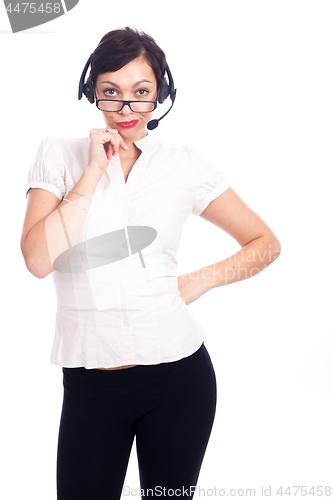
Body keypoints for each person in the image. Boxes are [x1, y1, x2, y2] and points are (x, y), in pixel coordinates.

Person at [20, 27, 281, 500]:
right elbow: (38, 260)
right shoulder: (61, 153)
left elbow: (264, 243)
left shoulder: (185, 164)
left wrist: (195, 282)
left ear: (160, 93)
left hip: (178, 376)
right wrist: (94, 170)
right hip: (90, 383)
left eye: (141, 93)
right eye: (111, 92)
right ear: (92, 92)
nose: (127, 109)